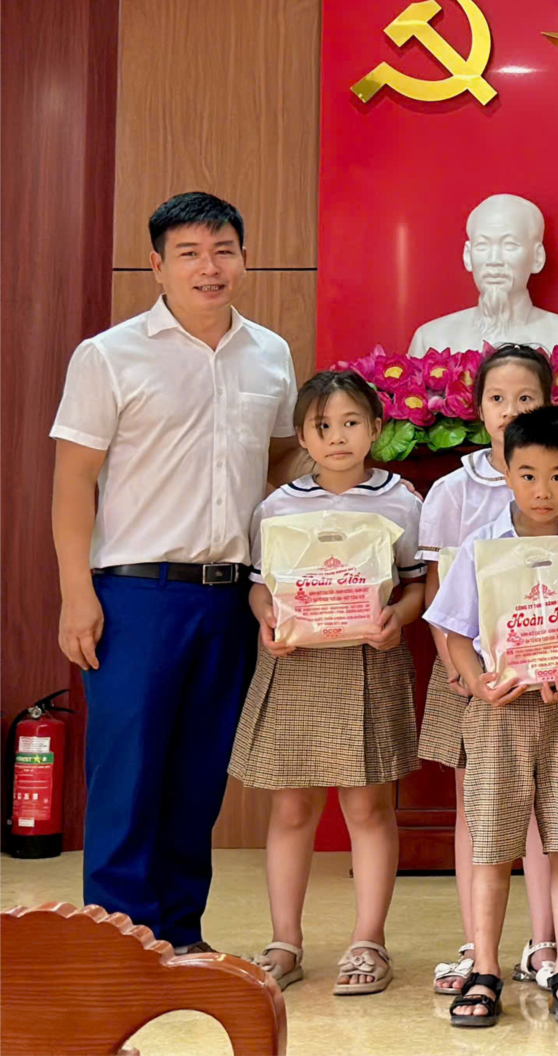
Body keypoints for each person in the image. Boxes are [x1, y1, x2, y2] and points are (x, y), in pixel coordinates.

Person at [52, 191, 298, 955]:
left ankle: (180, 936)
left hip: (228, 596)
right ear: (156, 265)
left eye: (223, 250)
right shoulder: (108, 355)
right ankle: (119, 945)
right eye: (188, 252)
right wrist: (75, 593)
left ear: (245, 259)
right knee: (127, 776)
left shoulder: (270, 354)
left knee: (198, 776)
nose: (208, 266)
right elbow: (73, 481)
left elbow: (282, 458)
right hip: (134, 594)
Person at [424, 404, 558, 1029]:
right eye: (529, 475)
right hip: (499, 714)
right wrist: (475, 683)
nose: (544, 490)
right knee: (491, 846)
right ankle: (485, 968)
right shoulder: (482, 548)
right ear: (508, 474)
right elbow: (453, 629)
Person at [230, 370, 424, 995]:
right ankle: (284, 942)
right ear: (302, 436)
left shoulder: (402, 501)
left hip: (368, 663)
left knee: (368, 805)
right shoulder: (277, 506)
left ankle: (369, 941)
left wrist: (399, 618)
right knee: (291, 805)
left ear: (376, 428)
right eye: (322, 426)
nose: (337, 437)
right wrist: (265, 618)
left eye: (351, 423)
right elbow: (259, 586)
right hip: (296, 664)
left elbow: (418, 583)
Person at [407, 192, 558, 355]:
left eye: (510, 245)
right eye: (482, 245)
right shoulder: (432, 341)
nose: (494, 260)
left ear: (537, 257)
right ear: (467, 255)